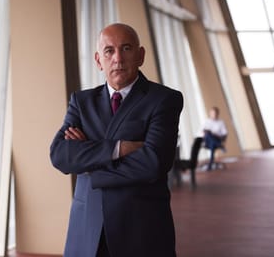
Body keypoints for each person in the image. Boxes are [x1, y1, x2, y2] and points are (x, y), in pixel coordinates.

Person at [50, 23, 183, 257]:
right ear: (98, 60)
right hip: (87, 227)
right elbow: (60, 155)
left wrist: (91, 169)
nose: (118, 59)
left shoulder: (163, 99)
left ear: (140, 55)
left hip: (141, 228)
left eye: (126, 48)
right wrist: (120, 148)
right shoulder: (82, 102)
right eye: (109, 51)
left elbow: (153, 163)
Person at [202, 106, 227, 171]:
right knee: (208, 134)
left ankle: (210, 164)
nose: (214, 115)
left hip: (217, 138)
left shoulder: (221, 122)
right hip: (207, 140)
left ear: (218, 114)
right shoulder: (206, 121)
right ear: (210, 114)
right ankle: (220, 146)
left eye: (215, 113)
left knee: (212, 144)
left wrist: (216, 135)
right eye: (213, 113)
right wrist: (210, 133)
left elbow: (224, 133)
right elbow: (203, 132)